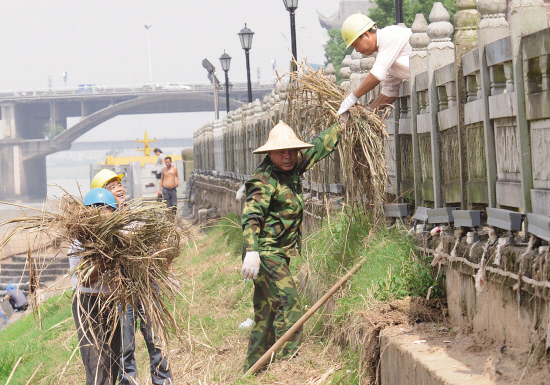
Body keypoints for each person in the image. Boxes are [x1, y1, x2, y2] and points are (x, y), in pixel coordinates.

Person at [240, 119, 343, 373]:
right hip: (265, 252)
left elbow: (318, 147)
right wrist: (252, 251)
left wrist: (341, 123)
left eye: (291, 151)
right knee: (290, 306)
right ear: (270, 154)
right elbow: (251, 217)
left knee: (266, 313)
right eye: (281, 152)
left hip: (279, 253)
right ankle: (289, 369)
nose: (287, 156)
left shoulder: (292, 167)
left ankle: (252, 369)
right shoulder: (264, 180)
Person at [91, 169, 173, 385]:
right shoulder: (101, 224)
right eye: (111, 187)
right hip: (121, 287)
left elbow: (156, 241)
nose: (119, 188)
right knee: (125, 343)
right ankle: (128, 381)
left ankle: (163, 380)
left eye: (119, 184)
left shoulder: (136, 213)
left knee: (155, 337)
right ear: (103, 196)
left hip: (146, 284)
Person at [70, 188, 121, 385]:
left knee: (112, 361)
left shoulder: (118, 239)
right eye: (98, 209)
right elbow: (85, 280)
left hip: (111, 302)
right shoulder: (79, 242)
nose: (103, 214)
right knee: (96, 363)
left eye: (108, 210)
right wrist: (104, 263)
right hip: (88, 303)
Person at [337, 14, 412, 114]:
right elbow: (390, 91)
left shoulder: (389, 35)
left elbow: (376, 75)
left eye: (356, 44)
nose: (357, 50)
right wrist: (368, 111)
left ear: (367, 34)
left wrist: (352, 98)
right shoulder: (384, 53)